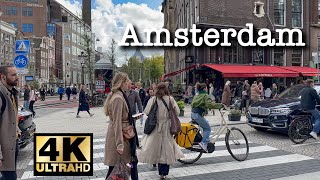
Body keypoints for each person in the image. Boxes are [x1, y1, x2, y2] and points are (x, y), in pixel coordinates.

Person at [138, 82, 184, 179]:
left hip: (155, 127)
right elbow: (177, 111)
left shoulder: (153, 99)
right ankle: (163, 173)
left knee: (155, 148)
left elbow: (146, 111)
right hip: (167, 127)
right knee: (166, 150)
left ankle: (158, 167)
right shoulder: (170, 99)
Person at [104, 72, 140, 180]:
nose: (129, 83)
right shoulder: (118, 98)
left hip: (123, 135)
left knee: (123, 166)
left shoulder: (118, 95)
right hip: (121, 137)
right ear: (121, 83)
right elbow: (117, 122)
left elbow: (120, 118)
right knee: (119, 168)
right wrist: (119, 144)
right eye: (127, 81)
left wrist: (131, 118)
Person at [0, 65, 20, 180]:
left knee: (10, 176)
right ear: (2, 77)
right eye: (13, 75)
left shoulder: (12, 92)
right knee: (10, 177)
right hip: (5, 148)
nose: (17, 77)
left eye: (16, 74)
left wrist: (17, 130)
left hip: (13, 142)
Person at [191, 83, 218, 152]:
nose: (207, 89)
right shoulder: (205, 95)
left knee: (206, 123)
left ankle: (205, 138)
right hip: (198, 115)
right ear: (204, 88)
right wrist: (220, 105)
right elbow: (209, 105)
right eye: (206, 88)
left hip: (193, 114)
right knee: (208, 129)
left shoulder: (197, 95)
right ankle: (204, 143)